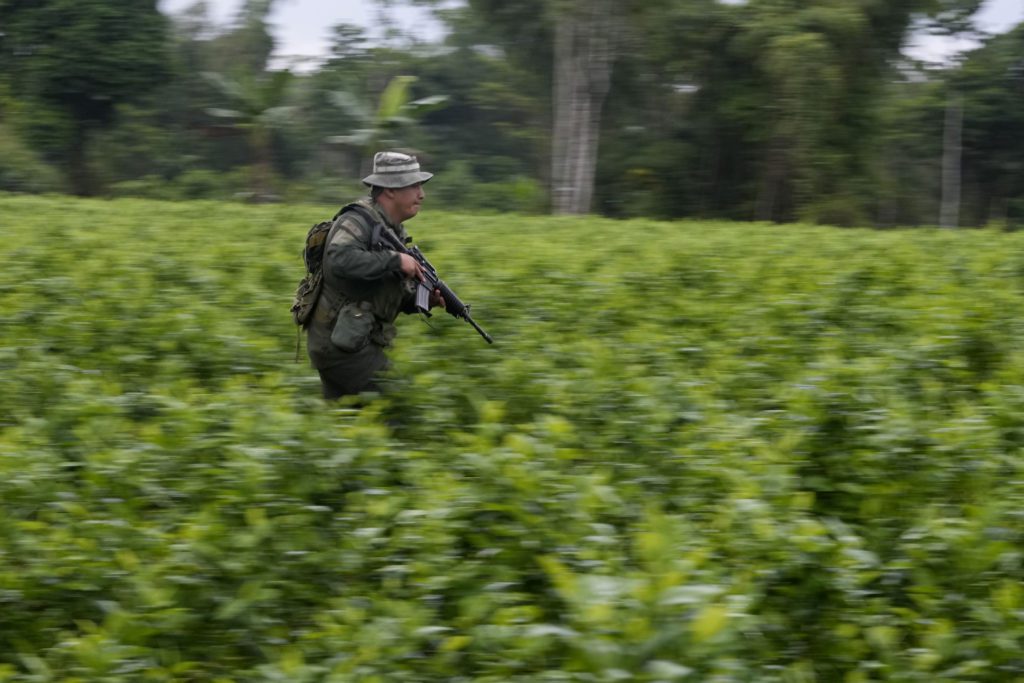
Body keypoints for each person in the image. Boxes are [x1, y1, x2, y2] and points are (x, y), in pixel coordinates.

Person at [306, 151, 443, 399]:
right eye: (414, 186)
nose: (421, 195)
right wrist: (396, 260)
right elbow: (339, 259)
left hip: (351, 340)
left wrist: (420, 301)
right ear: (390, 189)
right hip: (340, 344)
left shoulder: (392, 229)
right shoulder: (357, 221)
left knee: (347, 422)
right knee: (392, 405)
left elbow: (382, 291)